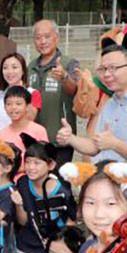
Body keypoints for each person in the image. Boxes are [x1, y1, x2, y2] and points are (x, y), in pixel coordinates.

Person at [57, 34, 127, 243]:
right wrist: (70, 138)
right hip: (104, 189)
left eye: (114, 68)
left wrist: (114, 144)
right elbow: (95, 146)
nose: (107, 74)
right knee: (103, 250)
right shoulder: (110, 103)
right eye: (103, 69)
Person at [11, 138, 76, 253]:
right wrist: (18, 205)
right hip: (29, 246)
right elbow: (23, 221)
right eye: (28, 162)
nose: (31, 167)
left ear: (51, 164)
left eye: (37, 163)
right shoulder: (23, 183)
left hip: (54, 251)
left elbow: (71, 222)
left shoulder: (62, 191)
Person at [28, 19, 80, 165]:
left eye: (47, 36)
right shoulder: (31, 66)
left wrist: (64, 77)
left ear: (57, 37)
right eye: (38, 38)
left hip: (60, 140)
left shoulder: (69, 63)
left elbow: (75, 90)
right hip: (36, 140)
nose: (42, 41)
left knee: (60, 184)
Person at [0, 52, 42, 133]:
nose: (9, 71)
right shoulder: (0, 95)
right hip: (1, 141)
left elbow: (30, 118)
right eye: (5, 68)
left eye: (14, 67)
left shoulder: (33, 93)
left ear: (23, 71)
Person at [0, 86, 49, 155]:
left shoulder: (39, 131)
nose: (13, 107)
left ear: (27, 107)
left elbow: (44, 159)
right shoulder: (1, 135)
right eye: (9, 104)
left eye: (18, 104)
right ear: (4, 107)